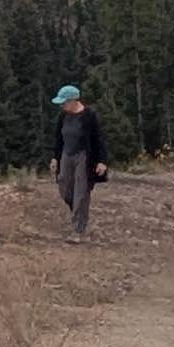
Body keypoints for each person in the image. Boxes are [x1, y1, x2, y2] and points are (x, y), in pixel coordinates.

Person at [48, 85, 110, 238]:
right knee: (65, 188)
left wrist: (102, 161)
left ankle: (78, 229)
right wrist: (55, 157)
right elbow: (58, 139)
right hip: (66, 155)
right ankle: (78, 211)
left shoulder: (89, 115)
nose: (61, 106)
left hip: (84, 156)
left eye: (63, 103)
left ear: (73, 101)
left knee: (81, 192)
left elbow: (99, 139)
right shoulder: (63, 116)